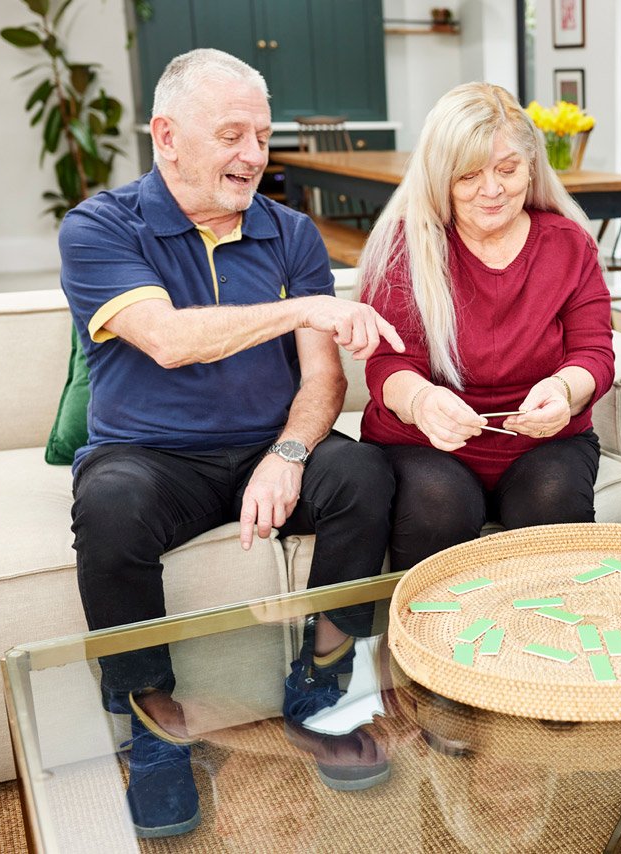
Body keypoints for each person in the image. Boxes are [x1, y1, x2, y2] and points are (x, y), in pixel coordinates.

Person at [60, 49, 401, 838]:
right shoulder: (102, 227)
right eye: (232, 134)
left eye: (263, 134)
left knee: (363, 472)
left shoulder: (291, 233)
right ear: (167, 136)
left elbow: (325, 382)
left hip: (264, 447)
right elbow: (171, 341)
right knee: (108, 506)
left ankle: (321, 682)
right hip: (150, 459)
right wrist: (301, 309)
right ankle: (154, 732)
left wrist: (288, 454)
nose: (254, 155)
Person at [357, 82, 614, 570]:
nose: (492, 190)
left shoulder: (569, 244)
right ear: (439, 177)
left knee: (554, 503)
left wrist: (563, 390)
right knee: (437, 507)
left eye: (508, 169)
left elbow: (594, 353)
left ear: (532, 166)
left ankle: (554, 638)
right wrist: (421, 401)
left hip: (545, 441)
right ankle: (432, 643)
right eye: (469, 176)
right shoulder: (404, 247)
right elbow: (389, 363)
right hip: (426, 443)